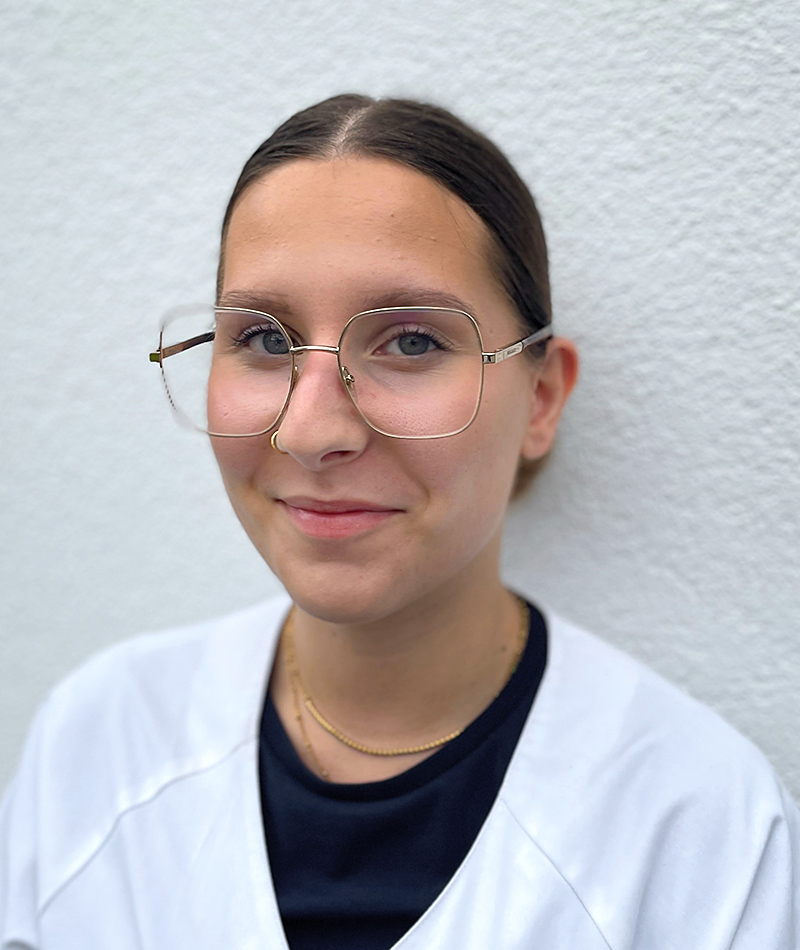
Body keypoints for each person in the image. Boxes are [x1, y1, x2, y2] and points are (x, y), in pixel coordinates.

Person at [1, 94, 798, 949]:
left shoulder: (700, 829)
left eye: (412, 341)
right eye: (265, 339)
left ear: (541, 398)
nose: (311, 431)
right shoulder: (98, 746)